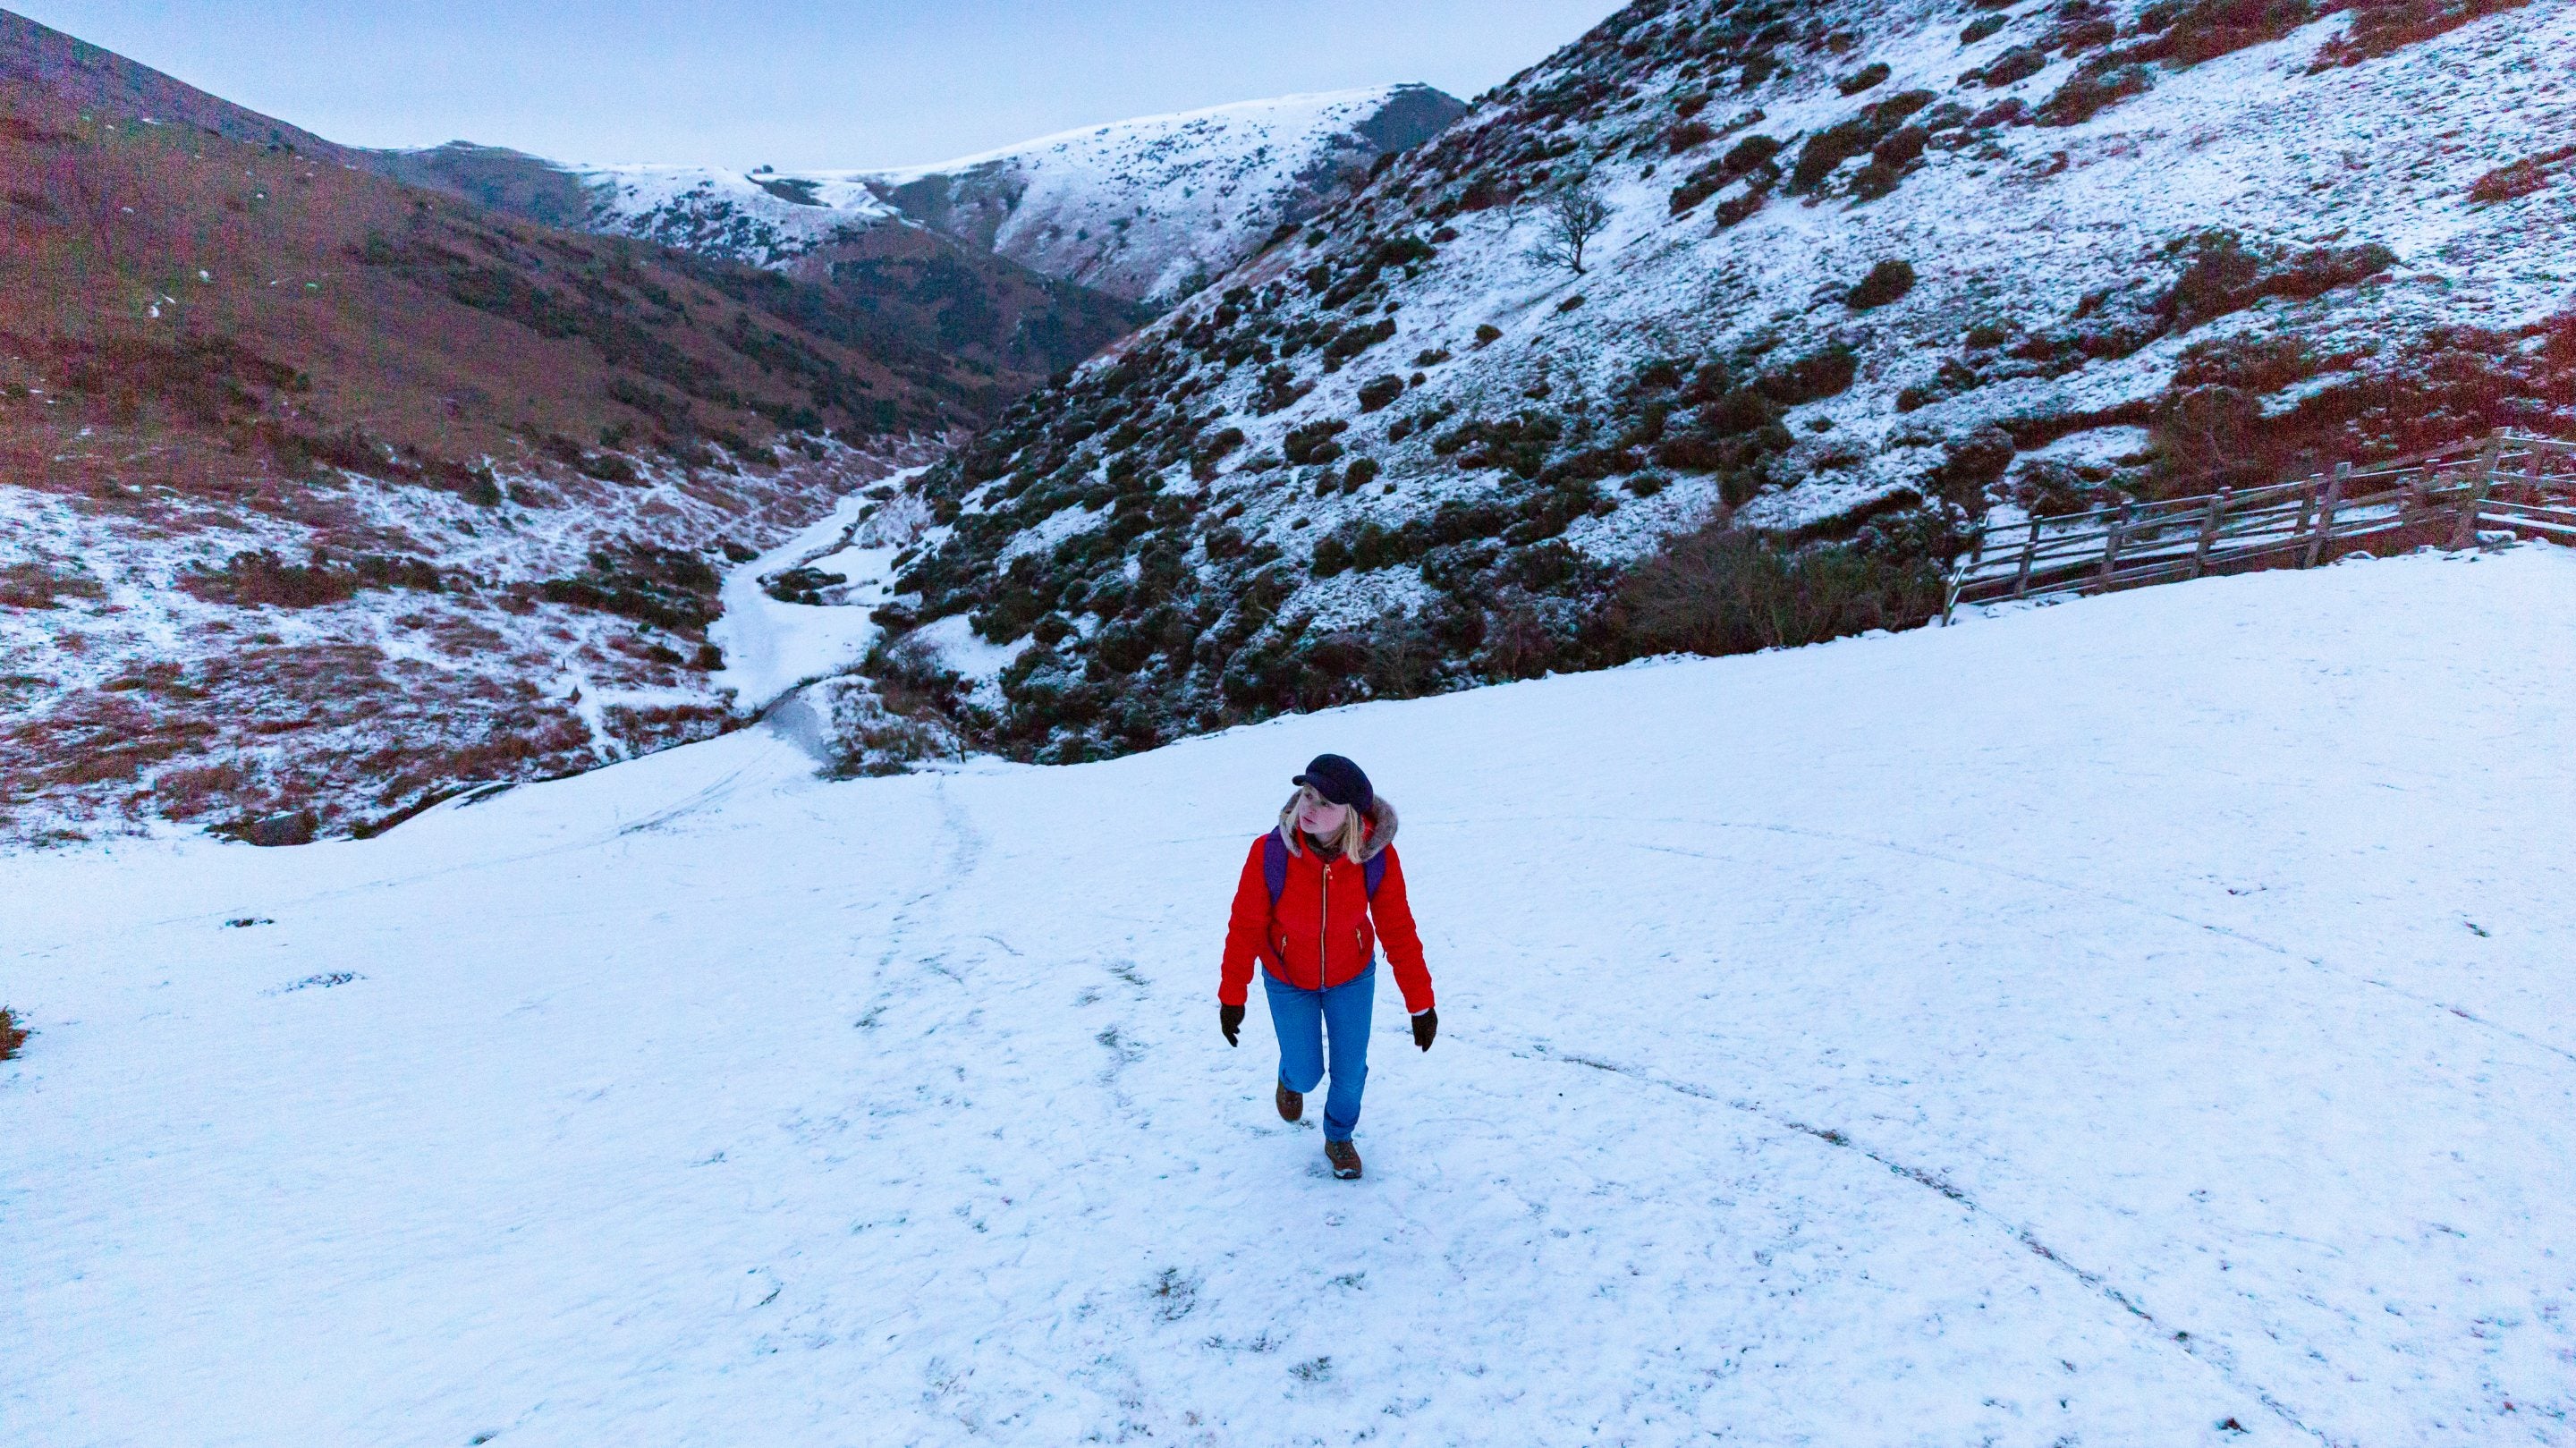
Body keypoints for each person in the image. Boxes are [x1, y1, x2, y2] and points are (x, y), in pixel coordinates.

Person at [1217, 753, 1436, 1180]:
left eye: (1324, 803)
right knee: (1306, 1071)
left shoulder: (1375, 858)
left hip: (1351, 975)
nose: (1309, 809)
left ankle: (1338, 1136)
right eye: (1307, 795)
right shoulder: (1270, 854)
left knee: (1350, 1071)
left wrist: (1421, 1003)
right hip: (1287, 977)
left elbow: (1399, 930)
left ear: (1350, 816)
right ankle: (1290, 1078)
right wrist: (1232, 995)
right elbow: (1244, 926)